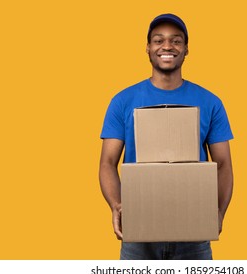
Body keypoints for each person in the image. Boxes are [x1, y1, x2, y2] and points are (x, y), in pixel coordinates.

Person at [99, 13, 234, 260]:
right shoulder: (123, 101)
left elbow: (223, 163)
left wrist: (218, 211)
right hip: (140, 230)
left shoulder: (210, 102)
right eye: (159, 40)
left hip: (193, 230)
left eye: (176, 40)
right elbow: (107, 162)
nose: (167, 46)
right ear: (148, 48)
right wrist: (118, 205)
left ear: (186, 49)